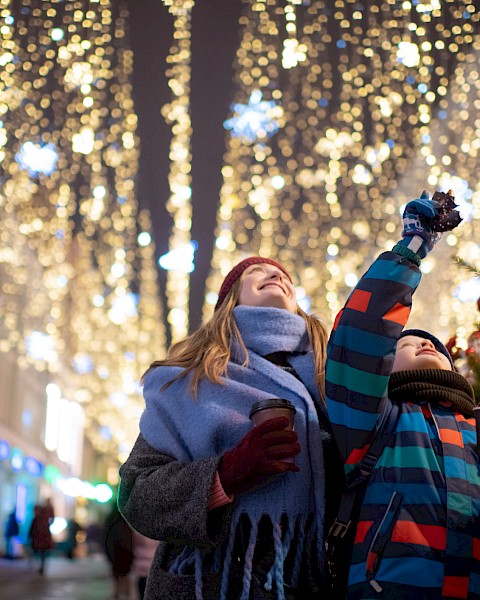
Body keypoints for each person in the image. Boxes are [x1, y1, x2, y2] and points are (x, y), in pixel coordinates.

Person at [118, 256, 343, 600]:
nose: (274, 274)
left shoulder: (332, 378)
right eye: (256, 272)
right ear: (230, 300)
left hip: (312, 581)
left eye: (284, 275)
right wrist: (223, 476)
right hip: (210, 584)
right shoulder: (190, 381)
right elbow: (137, 495)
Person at [326, 190, 480, 598]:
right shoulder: (372, 421)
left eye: (435, 346)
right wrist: (409, 250)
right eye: (407, 344)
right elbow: (363, 331)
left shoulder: (473, 427)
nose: (425, 344)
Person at [104, 503, 134, 600]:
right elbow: (131, 538)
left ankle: (117, 592)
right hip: (125, 551)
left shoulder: (110, 520)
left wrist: (107, 552)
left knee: (117, 574)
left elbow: (106, 537)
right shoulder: (126, 520)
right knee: (125, 573)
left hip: (115, 552)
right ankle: (126, 592)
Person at [132, 530, 159, 600]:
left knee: (143, 593)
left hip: (142, 566)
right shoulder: (157, 531)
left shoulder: (138, 530)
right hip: (153, 565)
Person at [29, 502, 54, 574]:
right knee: (41, 554)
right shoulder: (43, 519)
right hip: (41, 540)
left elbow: (32, 529)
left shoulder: (38, 519)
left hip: (40, 540)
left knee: (40, 553)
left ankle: (40, 567)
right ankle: (40, 567)